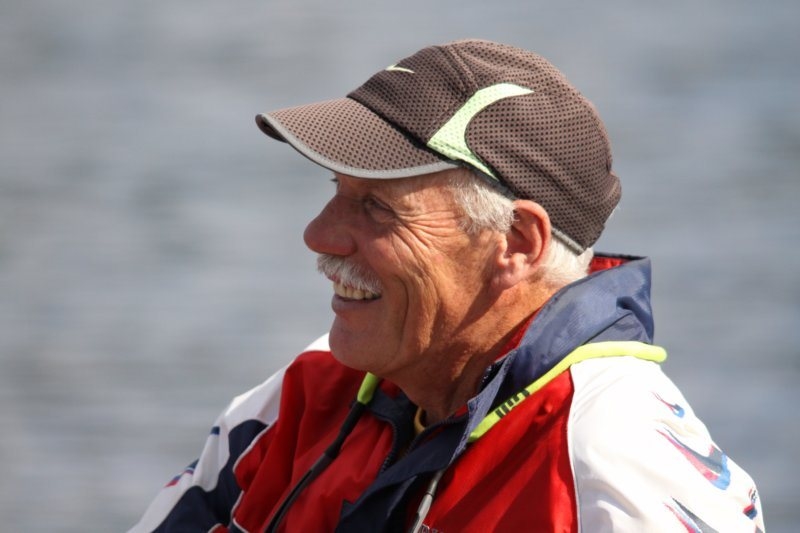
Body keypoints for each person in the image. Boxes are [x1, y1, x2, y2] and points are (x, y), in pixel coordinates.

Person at [130, 39, 764, 532]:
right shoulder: (301, 396)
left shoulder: (616, 461)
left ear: (517, 243)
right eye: (336, 190)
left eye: (377, 207)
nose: (318, 235)